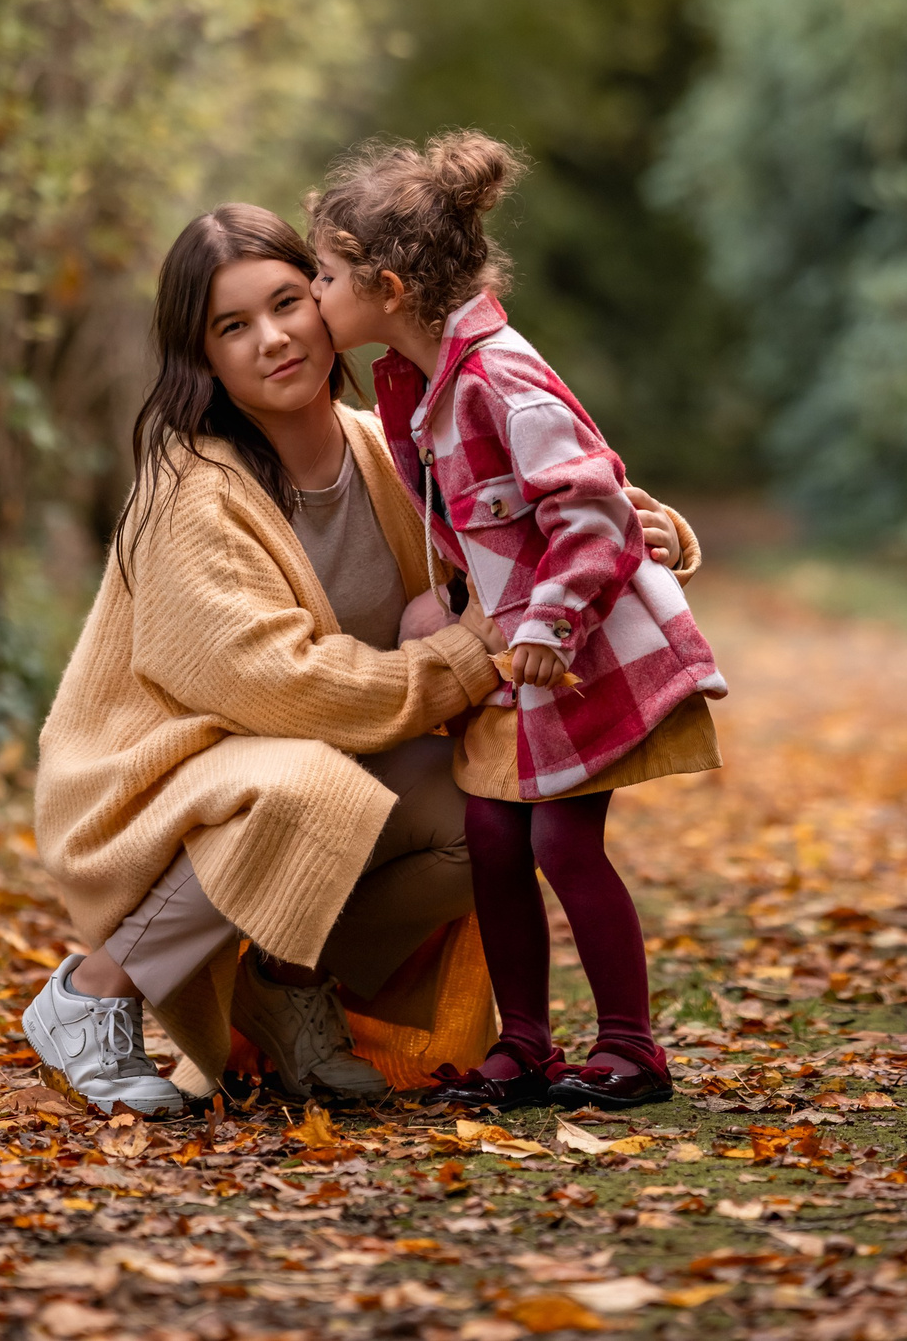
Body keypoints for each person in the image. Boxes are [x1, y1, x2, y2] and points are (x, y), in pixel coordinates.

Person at [22, 204, 692, 1116]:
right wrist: (475, 650)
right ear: (202, 358)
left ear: (330, 300)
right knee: (310, 785)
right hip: (165, 778)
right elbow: (283, 689)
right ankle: (93, 993)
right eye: (232, 326)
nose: (272, 339)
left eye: (287, 302)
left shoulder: (391, 445)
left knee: (491, 816)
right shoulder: (190, 490)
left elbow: (527, 517)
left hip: (324, 763)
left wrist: (645, 532)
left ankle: (289, 982)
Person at [308, 132, 725, 1110]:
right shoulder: (420, 386)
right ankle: (524, 1045)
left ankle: (631, 1048)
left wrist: (550, 623)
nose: (315, 295)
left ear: (387, 289)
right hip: (511, 662)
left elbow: (592, 509)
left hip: (574, 655)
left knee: (564, 847)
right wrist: (454, 603)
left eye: (324, 276)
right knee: (493, 842)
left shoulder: (500, 378)